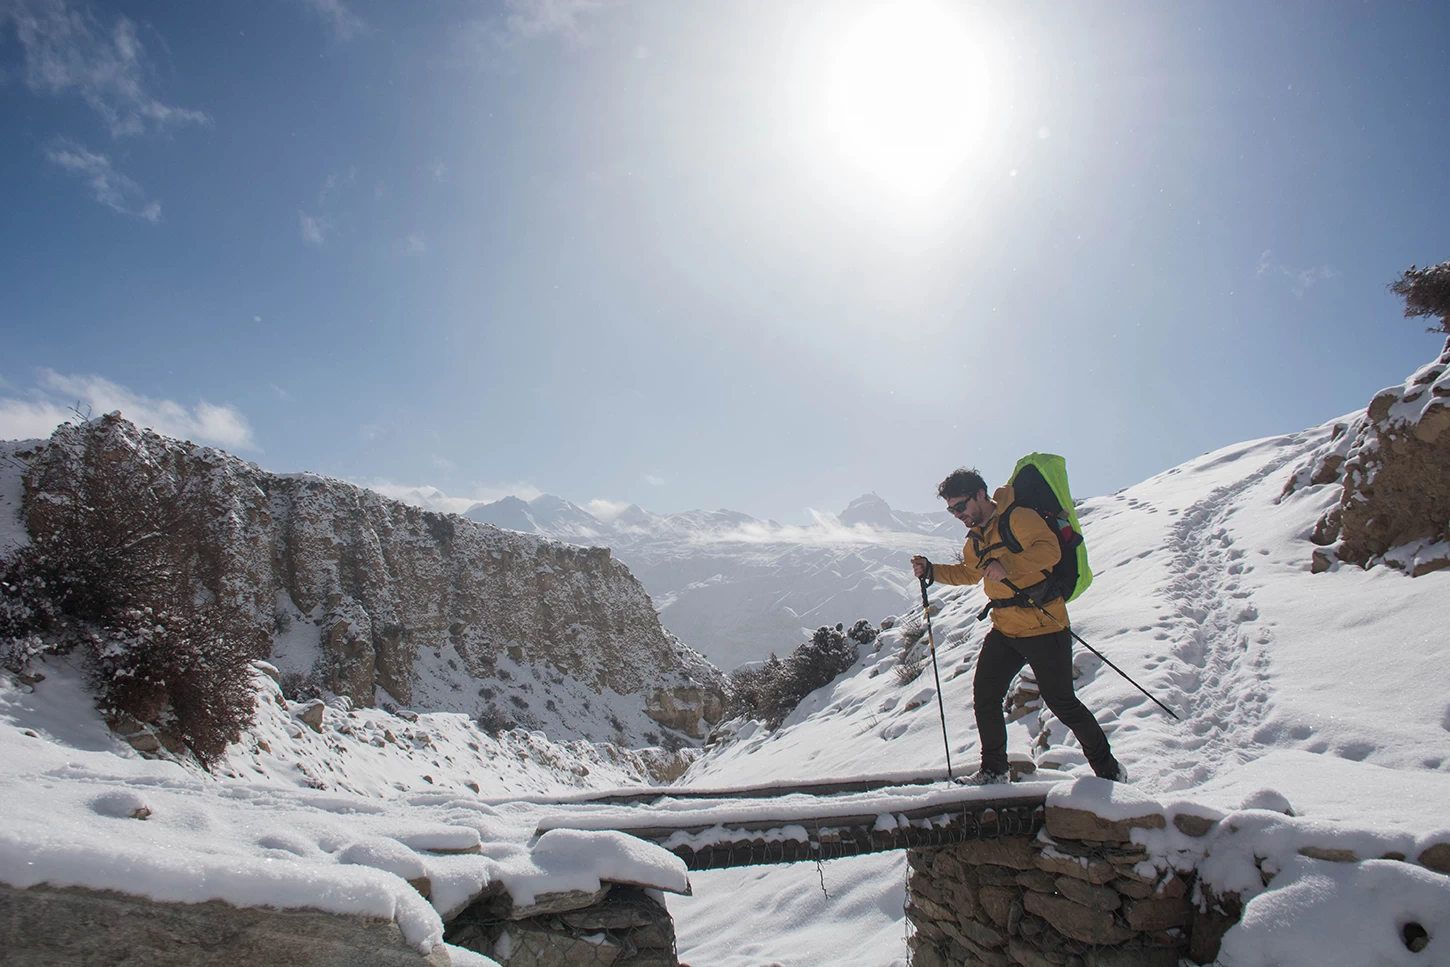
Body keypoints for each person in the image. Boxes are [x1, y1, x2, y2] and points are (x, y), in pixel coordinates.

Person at [912, 467, 1126, 786]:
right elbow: (971, 573)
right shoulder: (975, 539)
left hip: (1044, 626)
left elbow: (1049, 551)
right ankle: (994, 771)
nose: (956, 514)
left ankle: (1109, 770)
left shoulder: (1019, 518)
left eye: (960, 506)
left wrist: (1007, 564)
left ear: (981, 495)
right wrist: (932, 571)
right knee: (985, 697)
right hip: (1005, 630)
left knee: (1062, 704)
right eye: (951, 509)